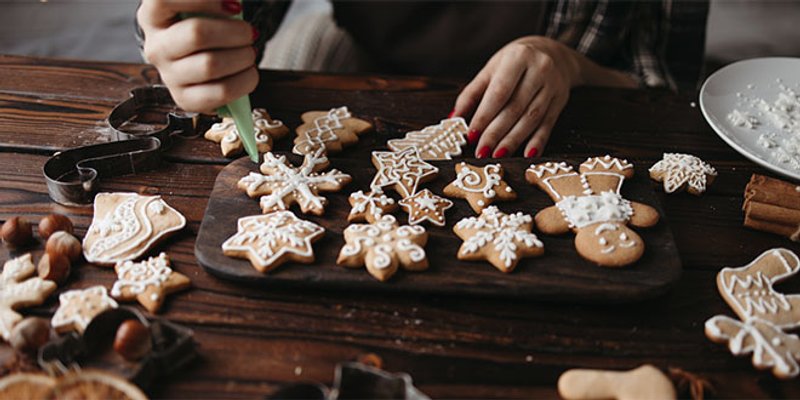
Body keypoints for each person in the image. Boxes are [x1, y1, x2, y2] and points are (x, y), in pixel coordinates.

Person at [136, 0, 708, 158]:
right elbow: (239, 18)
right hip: (369, 56)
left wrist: (567, 62)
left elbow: (665, 95)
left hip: (577, 92)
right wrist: (192, 40)